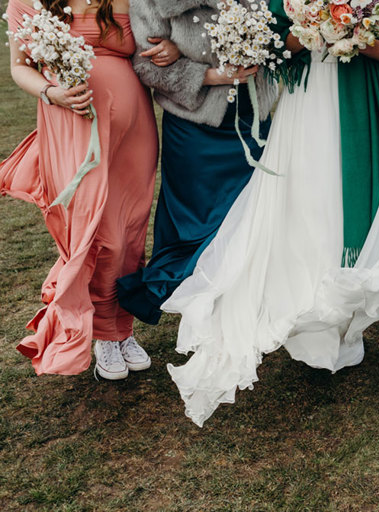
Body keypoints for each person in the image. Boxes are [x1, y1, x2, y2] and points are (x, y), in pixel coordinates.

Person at [160, 0, 379, 426]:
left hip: (366, 98)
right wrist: (314, 28)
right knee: (309, 205)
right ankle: (315, 326)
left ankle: (341, 327)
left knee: (354, 207)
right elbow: (277, 41)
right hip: (309, 101)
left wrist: (355, 36)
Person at [1, 0, 157, 379]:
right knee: (101, 234)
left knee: (132, 230)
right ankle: (104, 332)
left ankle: (123, 330)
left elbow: (153, 43)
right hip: (71, 123)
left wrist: (165, 49)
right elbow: (20, 67)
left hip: (134, 125)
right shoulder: (29, 1)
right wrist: (51, 92)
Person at [116, 0, 277, 326]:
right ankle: (203, 310)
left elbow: (278, 36)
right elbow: (146, 66)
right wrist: (212, 75)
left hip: (252, 119)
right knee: (197, 224)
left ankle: (243, 309)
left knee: (249, 216)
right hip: (194, 128)